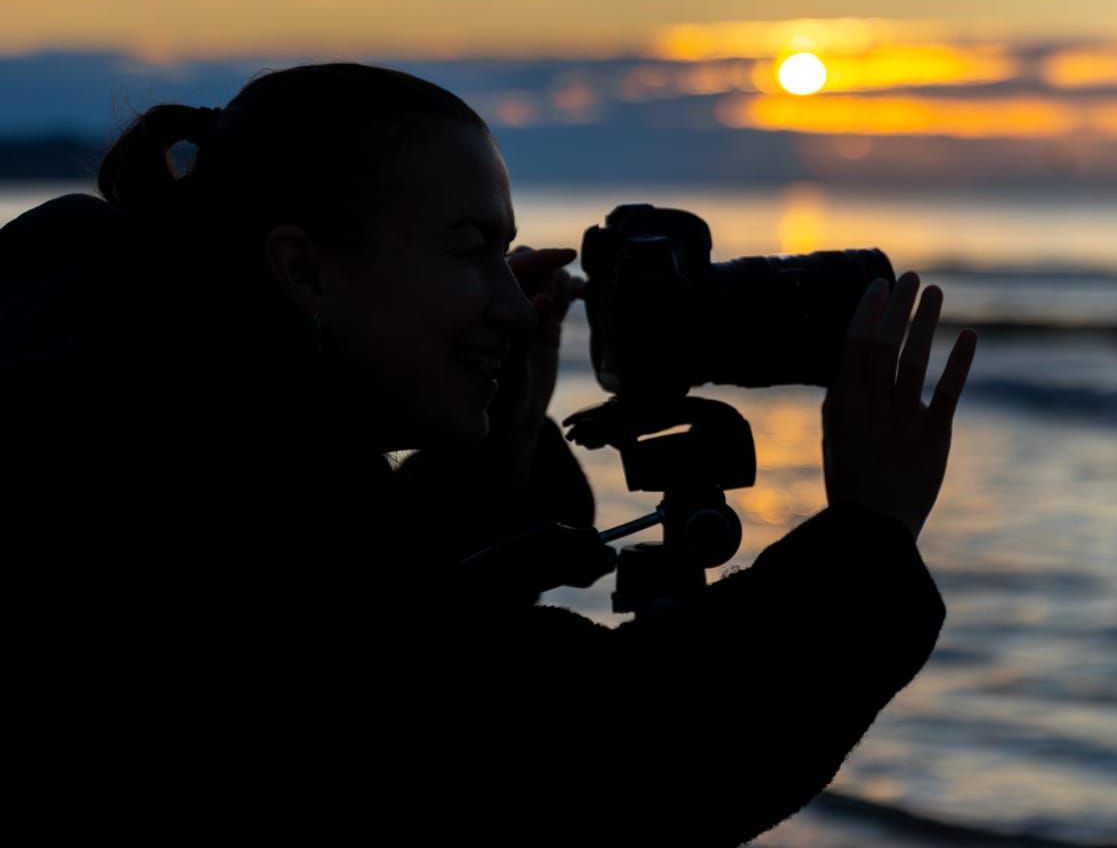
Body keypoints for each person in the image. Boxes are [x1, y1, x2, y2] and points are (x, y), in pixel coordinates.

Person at [0, 63, 978, 844]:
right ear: (303, 269)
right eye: (471, 248)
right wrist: (870, 534)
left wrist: (494, 462)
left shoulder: (131, 412)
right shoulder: (172, 493)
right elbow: (603, 766)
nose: (514, 302)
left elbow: (377, 662)